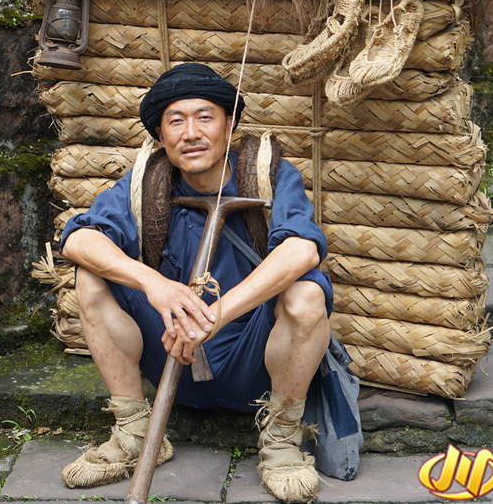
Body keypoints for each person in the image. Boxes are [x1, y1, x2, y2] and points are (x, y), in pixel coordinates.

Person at [59, 63, 358, 503]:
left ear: (229, 124)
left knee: (307, 292)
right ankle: (135, 431)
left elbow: (303, 250)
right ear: (160, 135)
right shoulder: (148, 180)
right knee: (91, 276)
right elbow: (78, 239)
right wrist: (154, 284)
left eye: (205, 117)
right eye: (176, 121)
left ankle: (281, 441)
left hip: (251, 364)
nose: (192, 133)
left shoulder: (266, 173)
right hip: (171, 357)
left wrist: (214, 316)